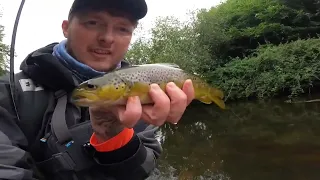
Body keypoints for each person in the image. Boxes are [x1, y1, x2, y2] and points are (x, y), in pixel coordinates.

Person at [0, 0, 195, 179]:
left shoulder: (144, 92)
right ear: (66, 28)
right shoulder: (8, 92)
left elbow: (142, 171)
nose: (107, 38)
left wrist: (113, 135)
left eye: (122, 29)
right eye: (93, 23)